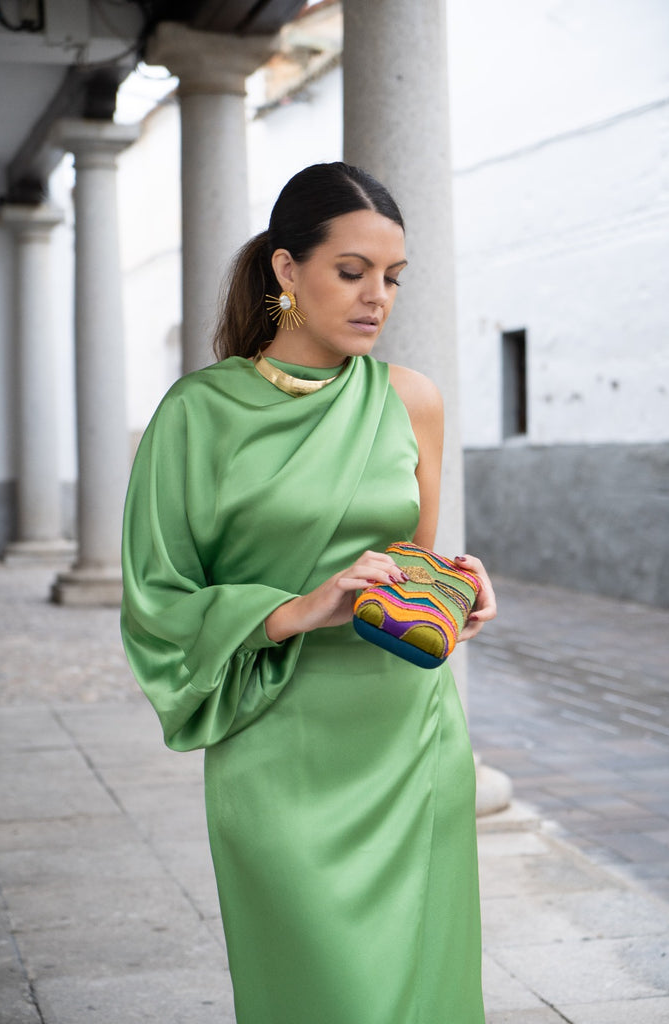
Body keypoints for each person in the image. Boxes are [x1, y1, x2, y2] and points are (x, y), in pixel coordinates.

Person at [121, 162, 496, 1024]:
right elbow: (156, 598)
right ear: (287, 269)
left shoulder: (412, 400)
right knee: (318, 992)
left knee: (418, 994)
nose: (377, 298)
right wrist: (293, 609)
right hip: (274, 738)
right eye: (352, 271)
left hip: (407, 736)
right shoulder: (196, 413)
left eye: (393, 278)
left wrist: (458, 590)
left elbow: (410, 562)